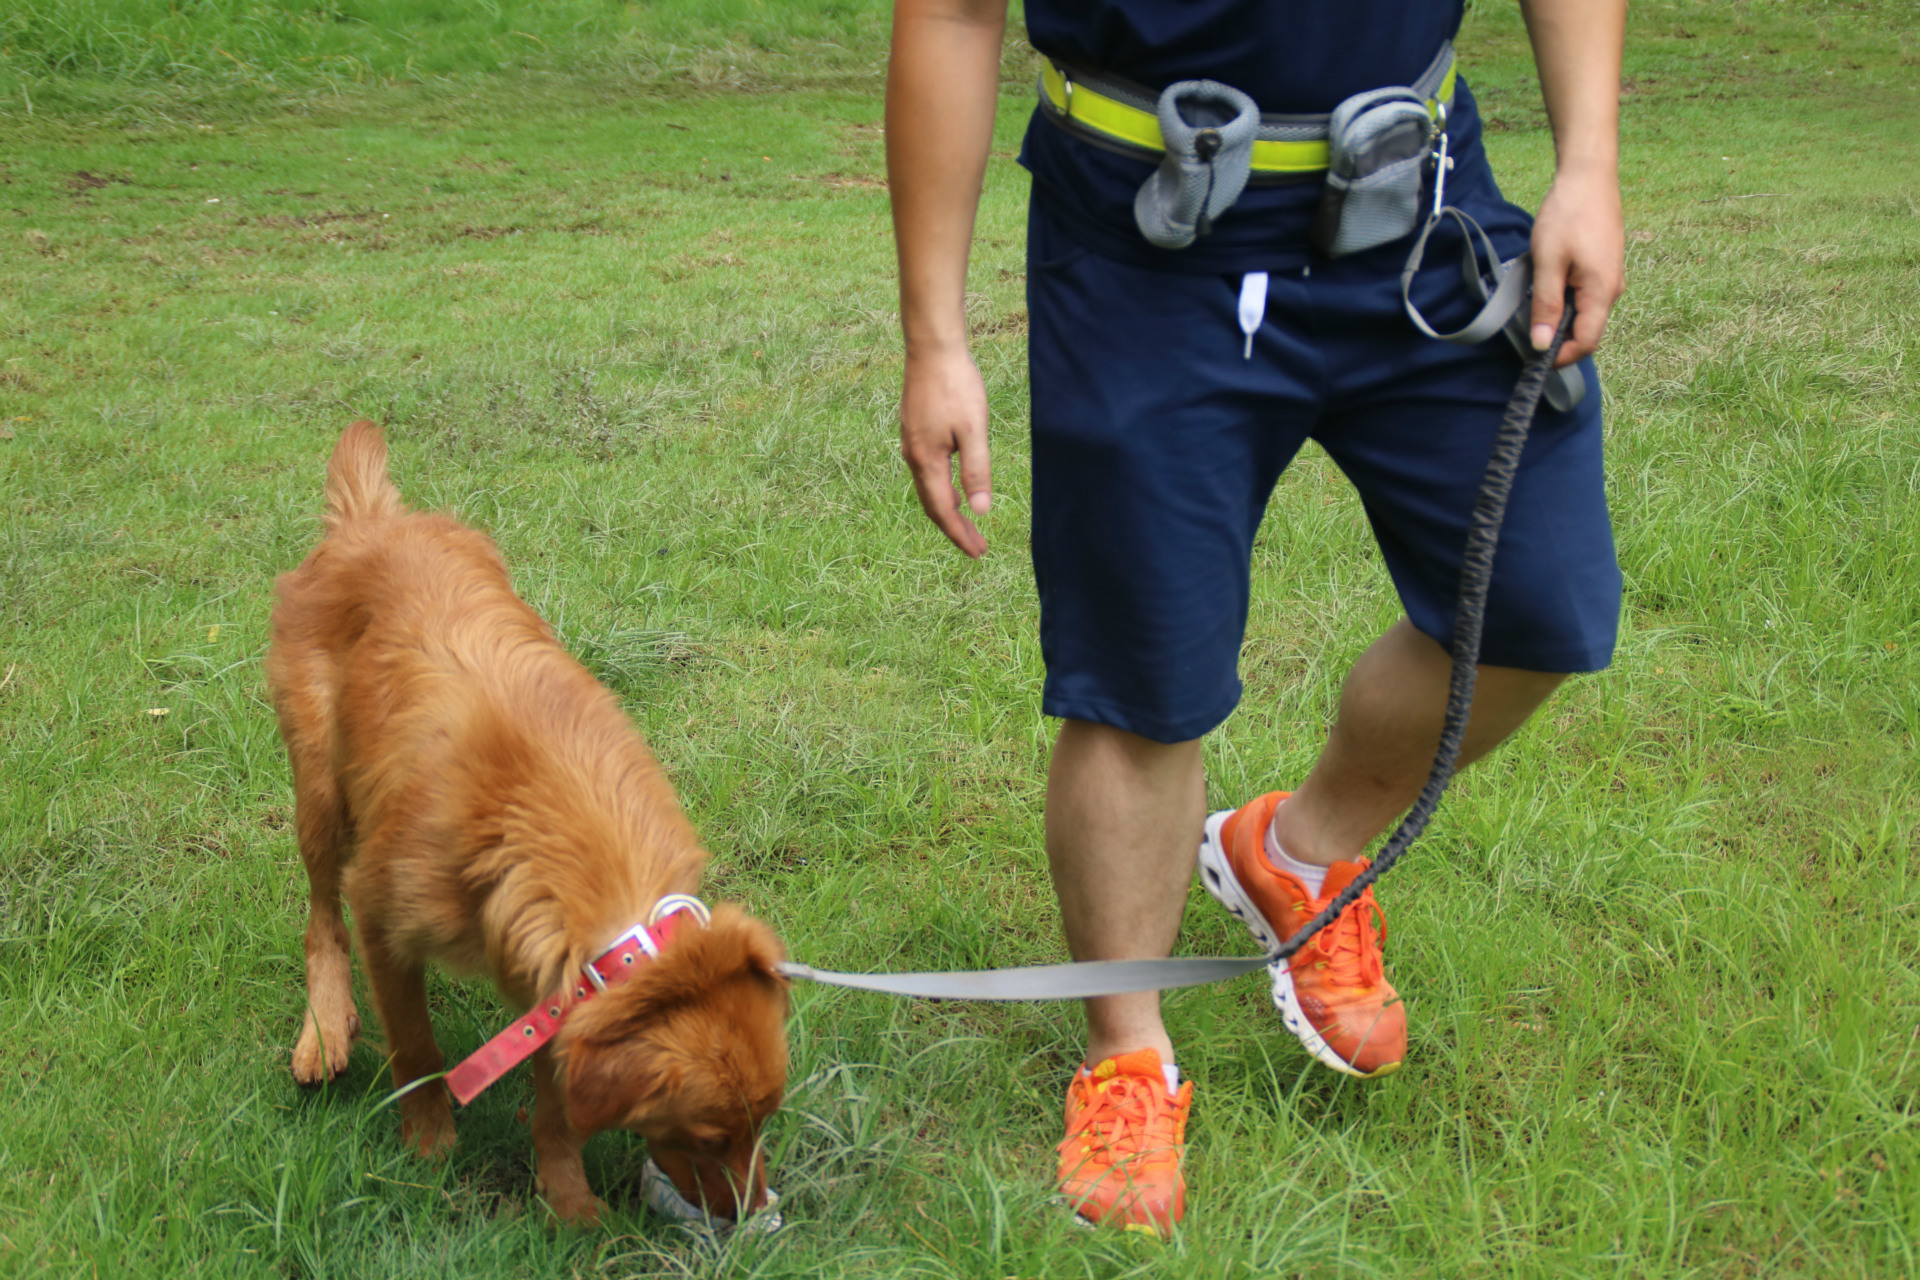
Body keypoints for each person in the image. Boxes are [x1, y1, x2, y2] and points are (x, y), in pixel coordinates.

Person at [887, 0, 1626, 1234]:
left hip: (1420, 198)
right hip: (1143, 241)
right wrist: (935, 336)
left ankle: (1294, 850)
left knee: (1538, 604)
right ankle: (1126, 1055)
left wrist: (1589, 164)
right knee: (1141, 679)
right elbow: (952, 14)